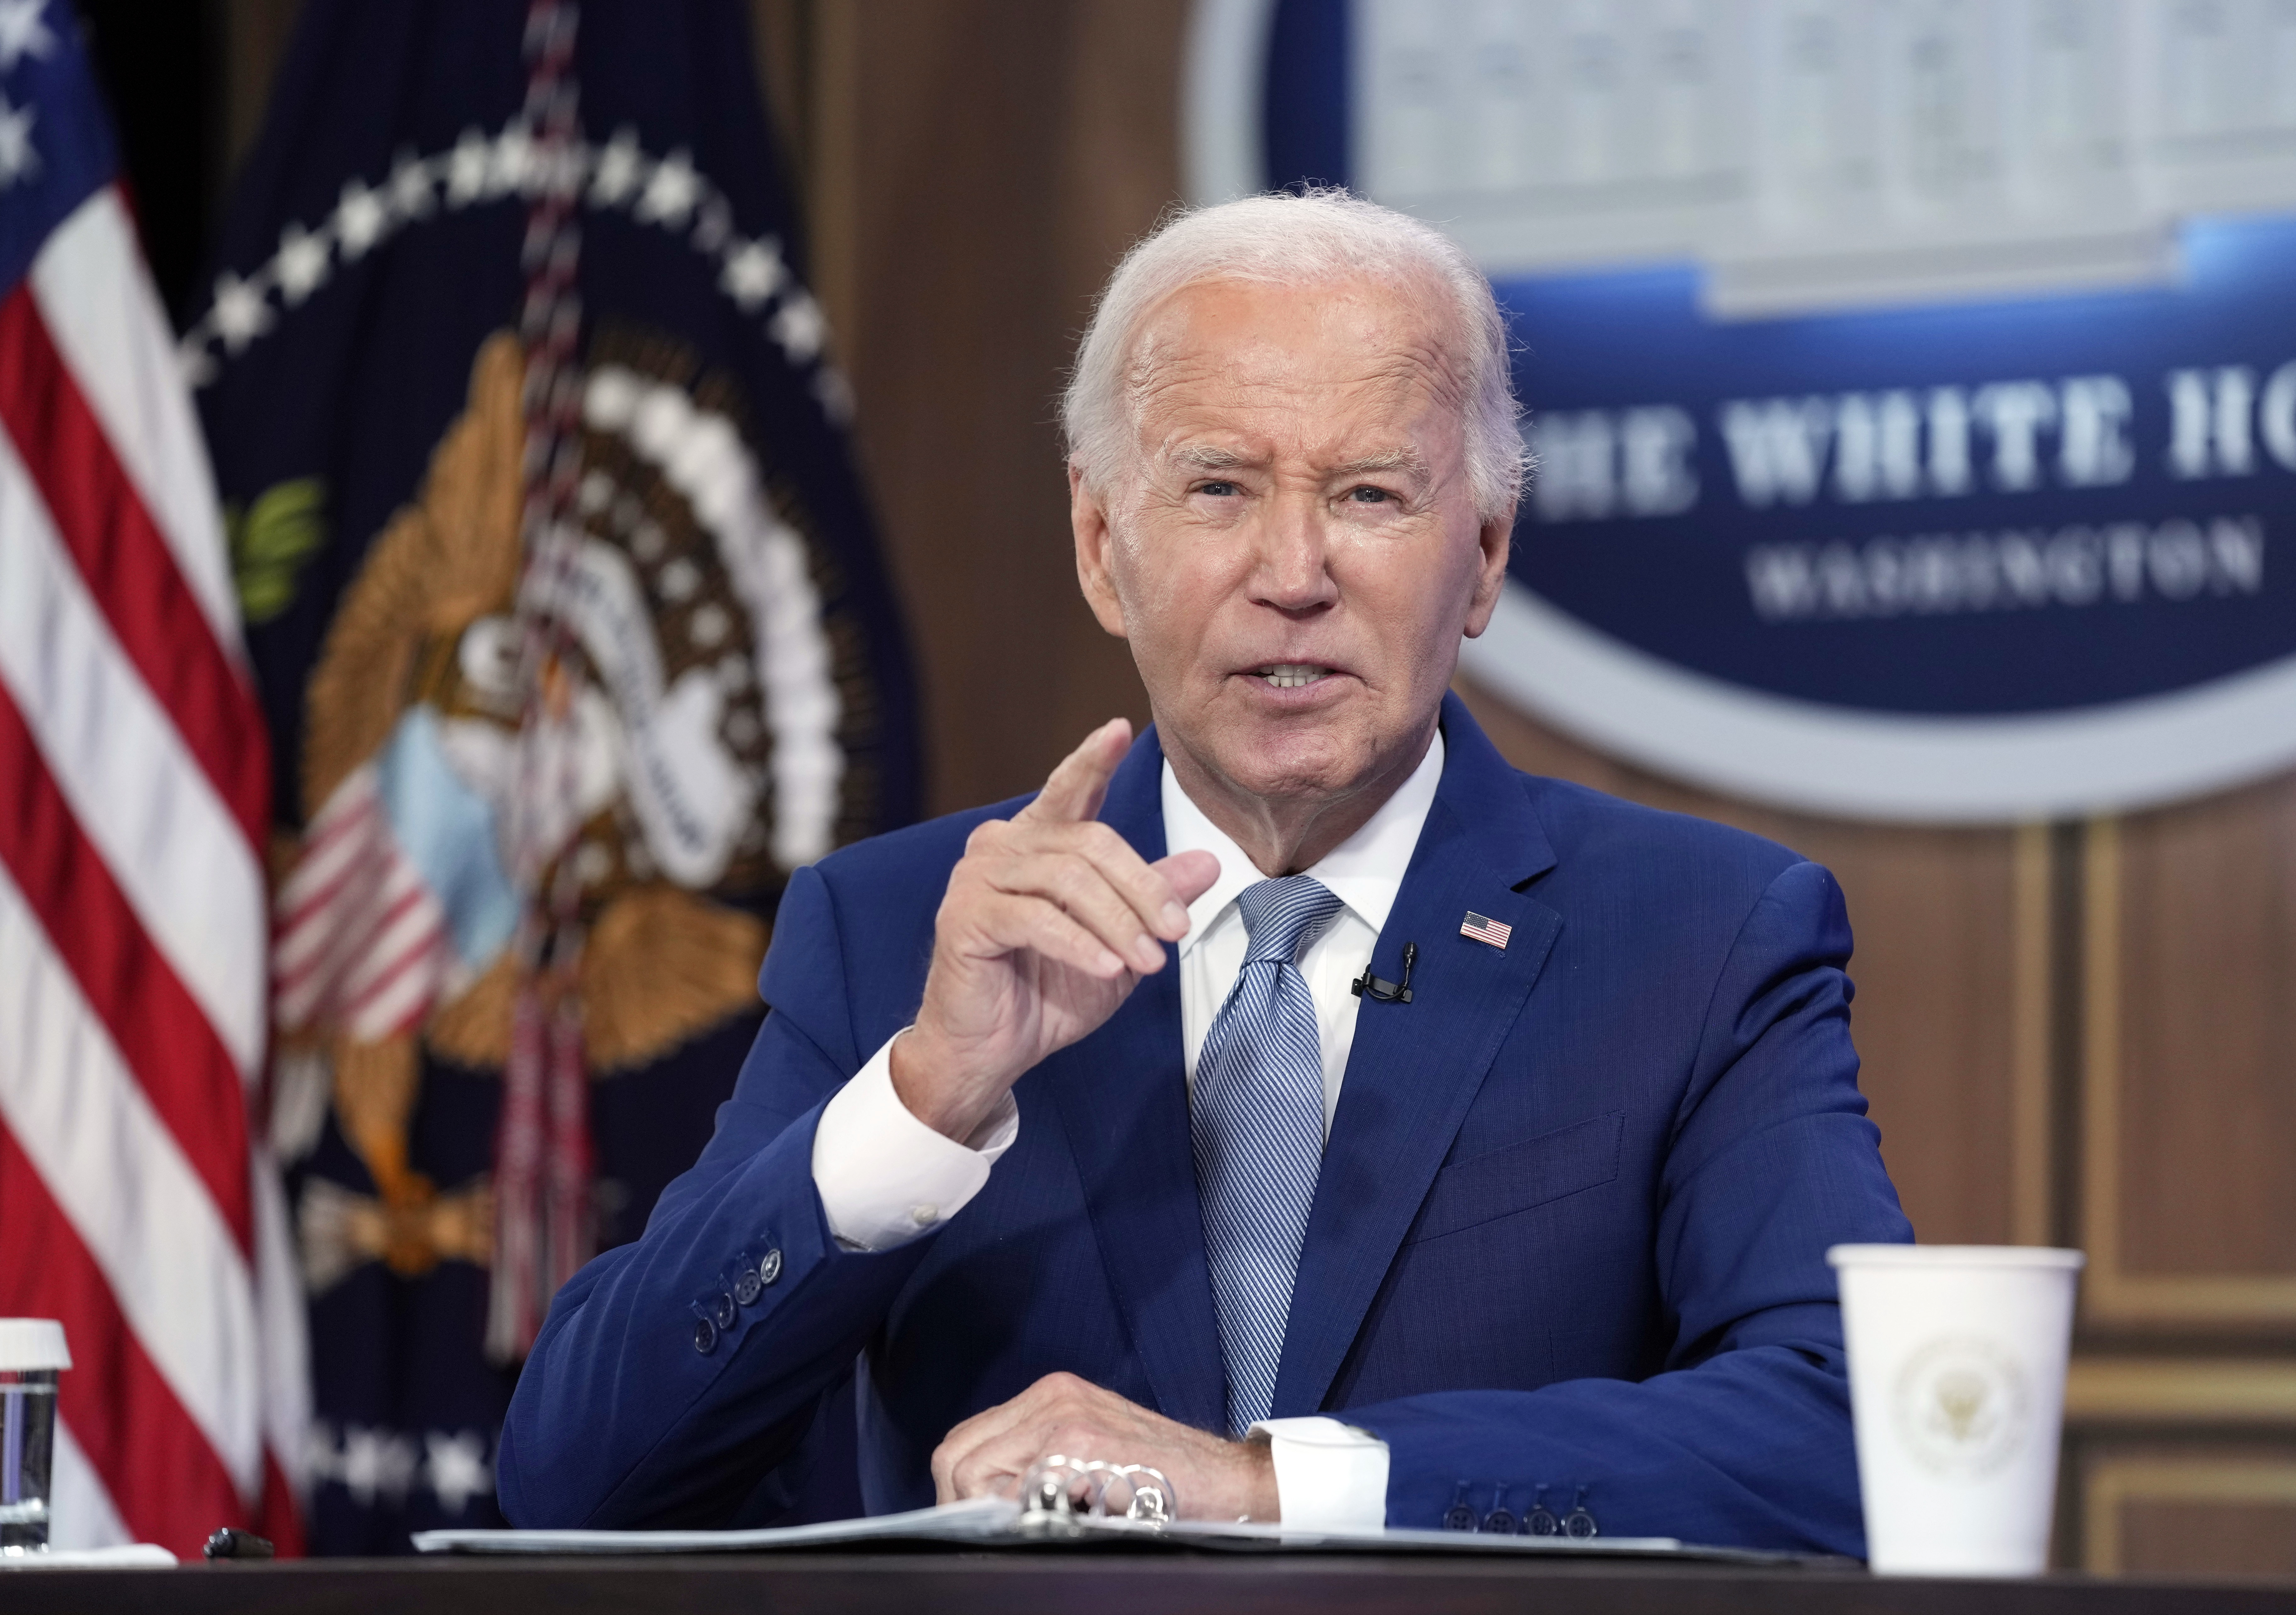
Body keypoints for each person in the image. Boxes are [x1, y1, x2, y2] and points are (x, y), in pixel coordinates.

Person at [497, 190, 1911, 1552]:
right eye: (1218, 488)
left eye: (1367, 493)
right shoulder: (890, 937)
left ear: (1480, 556)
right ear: (1100, 546)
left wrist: (1268, 1484)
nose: (1290, 571)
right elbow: (573, 1475)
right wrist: (923, 1097)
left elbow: (1848, 1432)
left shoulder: (1702, 938)